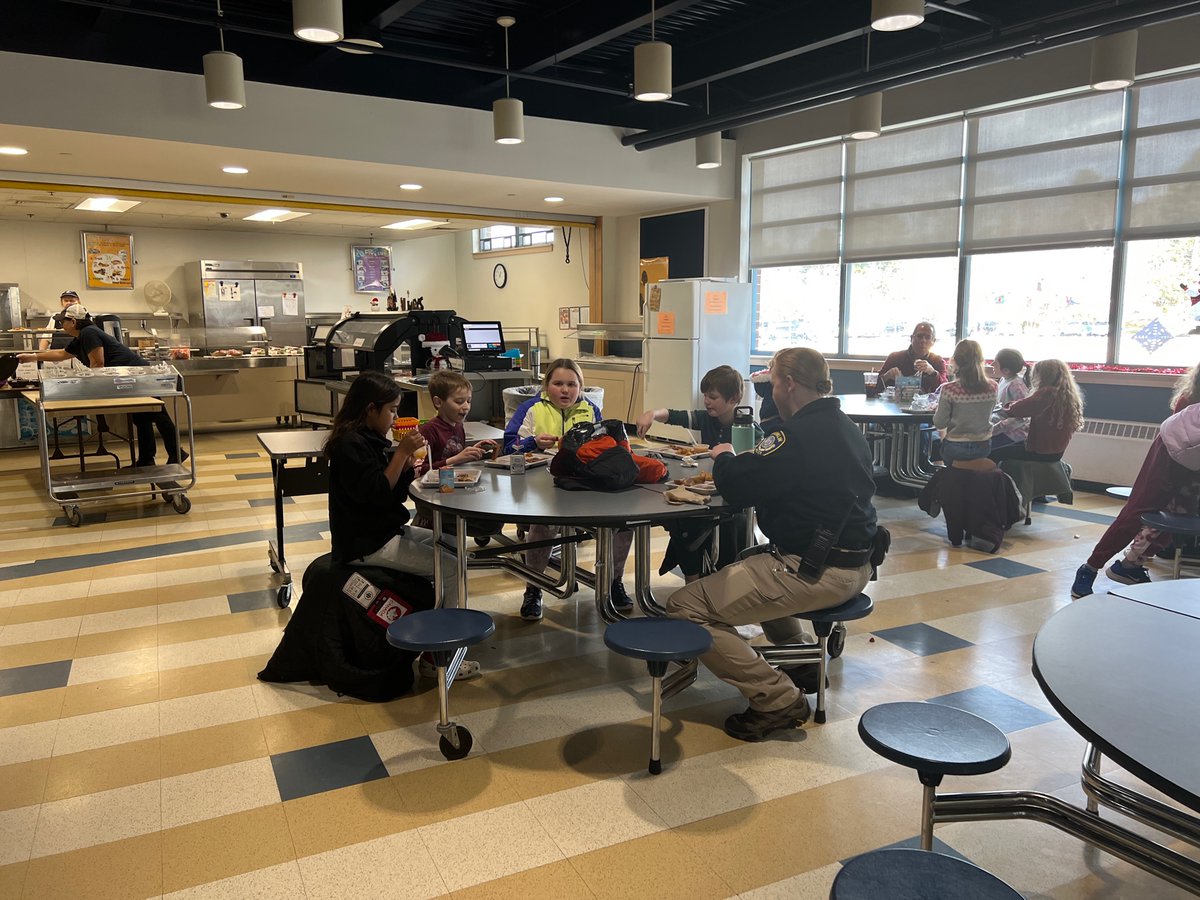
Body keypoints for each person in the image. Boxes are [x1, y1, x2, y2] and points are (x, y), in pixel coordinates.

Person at [667, 347, 880, 742]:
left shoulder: (795, 436)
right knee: (752, 559)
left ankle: (776, 698)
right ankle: (800, 662)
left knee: (685, 607)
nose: (772, 391)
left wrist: (725, 456)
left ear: (789, 384)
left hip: (814, 570)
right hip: (856, 565)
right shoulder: (846, 427)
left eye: (774, 382)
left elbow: (740, 484)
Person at [323, 372, 479, 679]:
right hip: (366, 543)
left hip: (384, 532)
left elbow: (394, 494)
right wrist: (403, 453)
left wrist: (406, 466)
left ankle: (438, 625)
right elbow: (376, 494)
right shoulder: (349, 445)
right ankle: (438, 658)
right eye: (392, 410)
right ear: (371, 409)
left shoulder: (369, 439)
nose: (395, 418)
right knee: (450, 567)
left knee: (453, 547)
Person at [503, 358, 633, 622]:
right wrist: (532, 442)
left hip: (585, 484)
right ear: (546, 385)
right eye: (558, 383)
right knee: (543, 526)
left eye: (572, 384)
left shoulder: (591, 410)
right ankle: (534, 588)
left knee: (623, 522)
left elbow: (606, 446)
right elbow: (507, 447)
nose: (565, 390)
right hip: (542, 487)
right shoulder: (531, 408)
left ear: (580, 387)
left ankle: (614, 581)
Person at [635, 365, 760, 582]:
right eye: (705, 396)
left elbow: (755, 465)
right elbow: (674, 415)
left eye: (713, 397)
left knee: (705, 525)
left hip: (732, 498)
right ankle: (692, 581)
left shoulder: (749, 427)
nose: (707, 401)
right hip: (706, 493)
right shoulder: (706, 418)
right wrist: (652, 414)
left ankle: (716, 579)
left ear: (733, 399)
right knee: (682, 520)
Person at [18, 303, 181, 467]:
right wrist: (33, 357)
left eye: (63, 321)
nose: (61, 324)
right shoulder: (81, 337)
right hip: (130, 375)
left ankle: (176, 454)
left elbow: (98, 363)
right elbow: (62, 354)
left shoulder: (89, 333)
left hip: (136, 374)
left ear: (73, 322)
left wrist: (90, 386)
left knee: (157, 414)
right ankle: (147, 459)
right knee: (141, 417)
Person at [1072, 401, 1200, 597]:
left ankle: (1130, 565)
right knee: (1139, 511)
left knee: (1182, 516)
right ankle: (1089, 569)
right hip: (1175, 444)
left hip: (1193, 455)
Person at [411, 370, 500, 539]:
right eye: (459, 401)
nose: (466, 406)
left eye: (469, 401)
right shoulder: (429, 430)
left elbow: (454, 456)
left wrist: (471, 451)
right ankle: (429, 526)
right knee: (488, 522)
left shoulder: (458, 426)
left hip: (455, 493)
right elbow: (417, 470)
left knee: (493, 518)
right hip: (434, 500)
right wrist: (456, 459)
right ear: (438, 402)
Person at [988, 359, 1083, 463]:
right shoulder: (1067, 395)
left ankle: (1000, 473)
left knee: (993, 452)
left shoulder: (1047, 394)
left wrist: (1006, 406)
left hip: (1041, 451)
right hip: (1057, 451)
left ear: (1042, 376)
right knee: (1011, 445)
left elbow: (1017, 409)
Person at [931, 340, 997, 464]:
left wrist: (939, 408)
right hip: (983, 446)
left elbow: (939, 423)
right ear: (981, 360)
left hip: (955, 447)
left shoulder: (949, 389)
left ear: (955, 360)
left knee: (935, 439)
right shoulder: (993, 386)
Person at [879, 322, 947, 394]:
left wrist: (932, 373)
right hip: (896, 400)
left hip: (926, 401)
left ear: (933, 341)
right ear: (911, 338)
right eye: (919, 336)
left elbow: (945, 390)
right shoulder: (895, 357)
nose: (923, 340)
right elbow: (875, 386)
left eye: (928, 337)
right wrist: (886, 376)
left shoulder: (938, 361)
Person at [989, 347, 1031, 454]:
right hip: (1002, 428)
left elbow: (1021, 417)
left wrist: (995, 429)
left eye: (995, 363)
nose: (991, 364)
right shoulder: (1004, 379)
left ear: (1006, 370)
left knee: (984, 449)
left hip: (1014, 433)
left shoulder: (1016, 386)